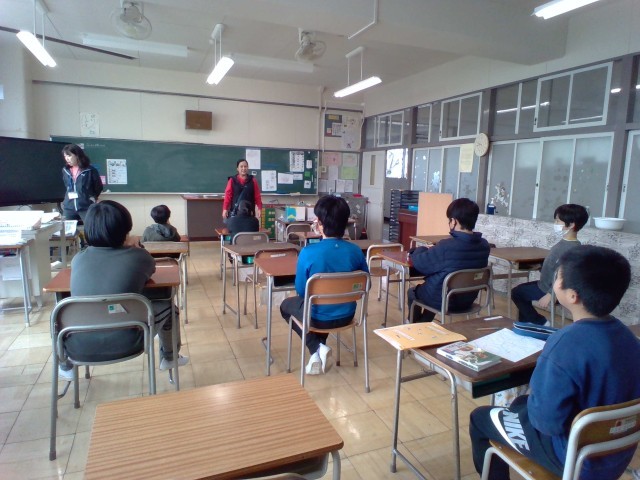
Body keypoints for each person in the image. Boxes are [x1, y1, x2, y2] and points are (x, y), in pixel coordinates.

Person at [469, 245, 640, 480]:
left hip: (571, 458)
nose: (553, 282)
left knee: (480, 418)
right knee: (519, 405)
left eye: (557, 277)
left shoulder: (565, 344)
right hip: (615, 454)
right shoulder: (630, 339)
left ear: (573, 296)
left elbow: (545, 423)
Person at [58, 200, 188, 381]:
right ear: (126, 229)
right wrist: (135, 248)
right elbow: (149, 270)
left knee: (59, 314)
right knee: (170, 308)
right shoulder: (139, 257)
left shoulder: (78, 259)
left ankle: (66, 366)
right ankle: (170, 357)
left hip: (78, 345)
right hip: (129, 342)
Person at [279, 195, 368, 375]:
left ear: (319, 223)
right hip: (347, 315)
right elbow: (365, 285)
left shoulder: (308, 252)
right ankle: (318, 351)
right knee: (323, 305)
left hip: (318, 319)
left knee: (286, 306)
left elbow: (301, 291)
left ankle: (316, 347)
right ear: (346, 223)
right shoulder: (355, 251)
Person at [407, 198, 490, 322]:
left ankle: (414, 326)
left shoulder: (447, 246)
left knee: (413, 292)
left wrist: (419, 249)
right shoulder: (484, 245)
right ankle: (423, 325)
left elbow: (420, 263)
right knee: (436, 291)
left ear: (454, 221)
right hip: (467, 300)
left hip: (445, 300)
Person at [511, 203, 589, 325]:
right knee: (521, 292)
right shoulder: (565, 243)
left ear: (571, 224)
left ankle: (539, 322)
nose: (555, 224)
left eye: (558, 221)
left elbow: (566, 277)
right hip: (545, 284)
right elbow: (554, 265)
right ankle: (527, 324)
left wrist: (550, 295)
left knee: (517, 293)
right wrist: (539, 267)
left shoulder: (572, 249)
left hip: (549, 289)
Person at [61, 144, 103, 222]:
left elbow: (98, 187)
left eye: (69, 155)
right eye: (65, 156)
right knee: (67, 229)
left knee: (90, 227)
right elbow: (66, 185)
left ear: (77, 155)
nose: (67, 158)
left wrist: (91, 197)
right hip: (69, 207)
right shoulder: (65, 170)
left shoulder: (90, 170)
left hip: (86, 206)